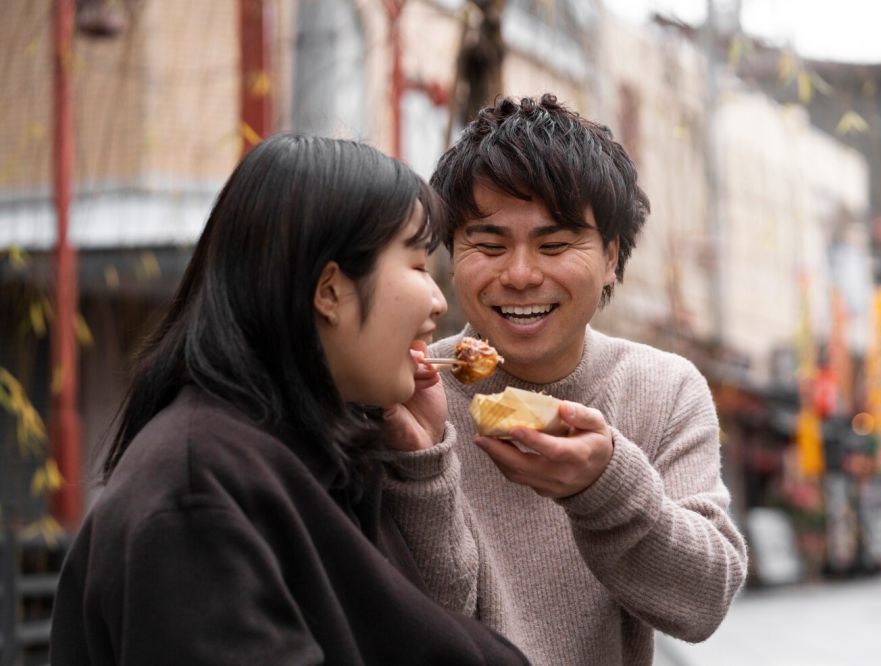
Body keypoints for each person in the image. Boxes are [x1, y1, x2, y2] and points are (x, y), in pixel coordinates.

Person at [49, 134, 530, 666]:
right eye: (418, 266)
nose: (439, 301)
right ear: (330, 291)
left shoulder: (326, 460)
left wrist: (421, 464)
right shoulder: (197, 497)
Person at [380, 95, 748, 666]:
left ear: (610, 258)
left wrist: (603, 486)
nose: (522, 274)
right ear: (452, 252)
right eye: (489, 243)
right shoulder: (408, 388)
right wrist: (422, 462)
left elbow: (702, 604)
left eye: (554, 245)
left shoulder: (665, 389)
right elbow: (415, 624)